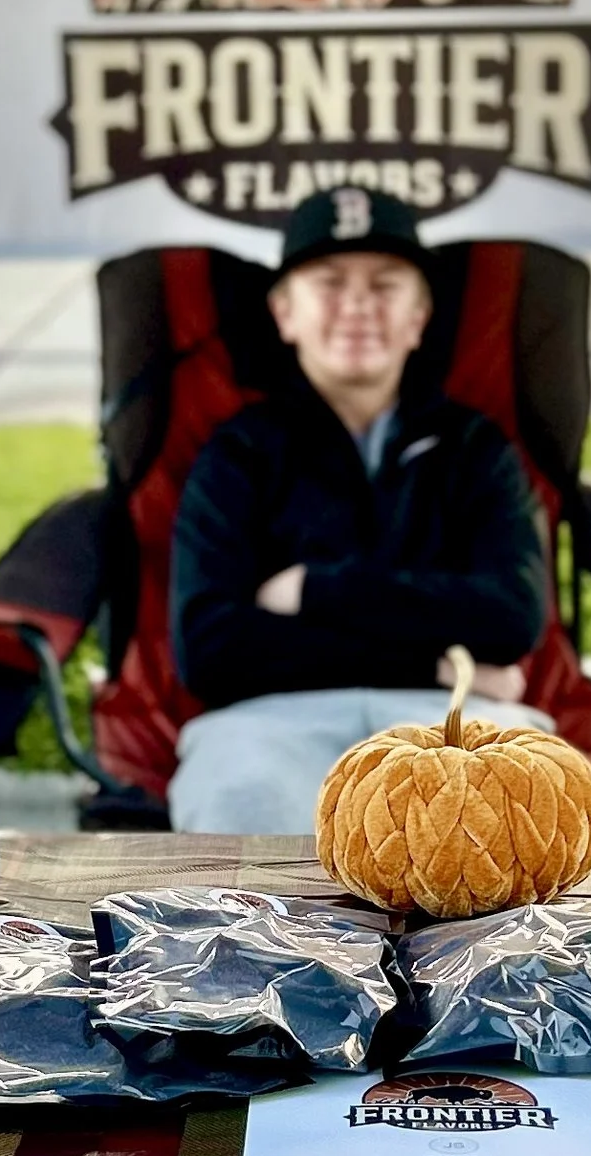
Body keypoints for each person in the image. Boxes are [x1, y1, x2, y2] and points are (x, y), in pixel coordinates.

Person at [167, 185, 553, 833]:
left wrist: (314, 589)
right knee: (244, 821)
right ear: (285, 313)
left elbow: (511, 616)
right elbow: (212, 650)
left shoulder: (474, 447)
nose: (357, 307)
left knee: (512, 830)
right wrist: (435, 657)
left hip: (452, 717)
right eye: (329, 282)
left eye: (383, 285)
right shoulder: (239, 453)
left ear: (419, 317)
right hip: (273, 722)